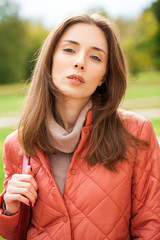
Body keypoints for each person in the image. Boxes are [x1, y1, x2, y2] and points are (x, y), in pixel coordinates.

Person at [0, 12, 160, 240]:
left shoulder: (136, 133)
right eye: (69, 50)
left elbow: (151, 226)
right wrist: (10, 208)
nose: (79, 62)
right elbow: (13, 233)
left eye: (95, 57)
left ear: (104, 76)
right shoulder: (17, 144)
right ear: (50, 59)